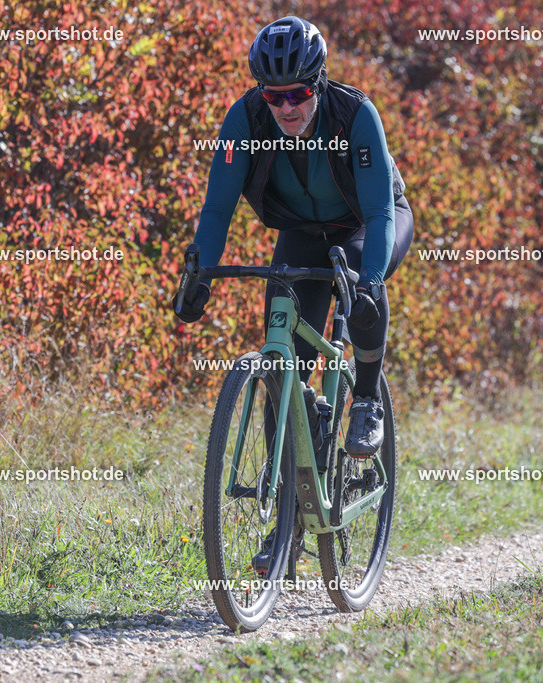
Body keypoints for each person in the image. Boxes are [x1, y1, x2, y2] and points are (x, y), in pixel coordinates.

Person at [175, 15, 413, 455]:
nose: (287, 108)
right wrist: (200, 277)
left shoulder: (355, 114)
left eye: (299, 94)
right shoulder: (243, 121)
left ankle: (365, 400)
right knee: (285, 369)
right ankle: (283, 500)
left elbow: (380, 211)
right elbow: (217, 208)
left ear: (318, 83)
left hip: (368, 223)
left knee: (362, 284)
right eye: (274, 96)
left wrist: (372, 283)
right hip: (302, 231)